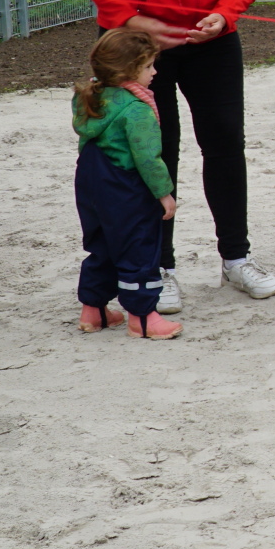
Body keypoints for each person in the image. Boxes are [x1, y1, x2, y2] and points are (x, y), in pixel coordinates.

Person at [76, 0, 275, 314]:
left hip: (208, 37)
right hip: (138, 43)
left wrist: (225, 14)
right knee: (155, 149)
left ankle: (236, 257)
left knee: (226, 143)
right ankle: (158, 266)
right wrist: (134, 22)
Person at [71, 28, 180, 339]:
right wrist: (164, 193)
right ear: (127, 71)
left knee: (101, 243)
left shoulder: (90, 96)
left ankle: (94, 310)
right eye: (148, 66)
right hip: (125, 185)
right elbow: (148, 158)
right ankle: (143, 316)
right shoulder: (137, 109)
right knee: (139, 245)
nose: (154, 72)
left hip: (90, 181)